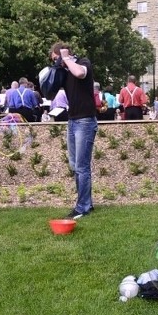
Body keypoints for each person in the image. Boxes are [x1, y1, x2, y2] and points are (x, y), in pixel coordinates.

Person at [49, 42, 97, 219]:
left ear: (63, 54)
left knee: (82, 167)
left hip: (85, 121)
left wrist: (66, 58)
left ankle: (82, 206)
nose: (56, 63)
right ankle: (87, 203)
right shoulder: (64, 72)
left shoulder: (83, 63)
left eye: (56, 59)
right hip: (72, 121)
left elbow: (79, 73)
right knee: (75, 165)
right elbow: (50, 92)